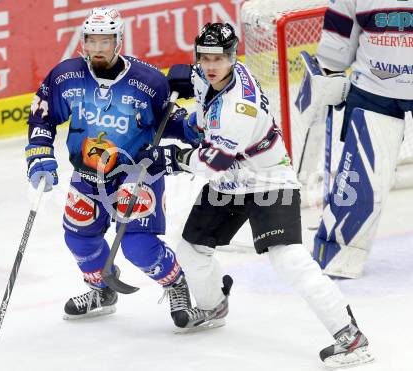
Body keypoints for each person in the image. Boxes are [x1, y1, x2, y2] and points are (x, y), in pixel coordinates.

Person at [137, 22, 374, 368]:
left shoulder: (238, 109)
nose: (211, 65)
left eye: (219, 58)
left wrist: (171, 158)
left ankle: (350, 336)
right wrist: (183, 76)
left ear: (233, 58)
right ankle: (214, 304)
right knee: (192, 247)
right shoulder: (210, 73)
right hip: (233, 181)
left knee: (288, 259)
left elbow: (212, 163)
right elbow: (197, 80)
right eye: (204, 58)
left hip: (267, 181)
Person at [25, 7, 198, 325]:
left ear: (118, 42)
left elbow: (170, 124)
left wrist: (199, 113)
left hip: (137, 174)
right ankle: (102, 291)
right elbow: (43, 114)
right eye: (92, 41)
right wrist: (39, 154)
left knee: (138, 245)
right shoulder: (67, 75)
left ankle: (177, 286)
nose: (98, 48)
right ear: (83, 42)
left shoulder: (148, 82)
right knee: (79, 238)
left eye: (105, 41)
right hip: (87, 175)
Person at [304, 1, 413, 278]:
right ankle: (338, 253)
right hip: (372, 91)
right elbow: (336, 44)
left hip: (373, 88)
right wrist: (329, 72)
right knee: (360, 182)